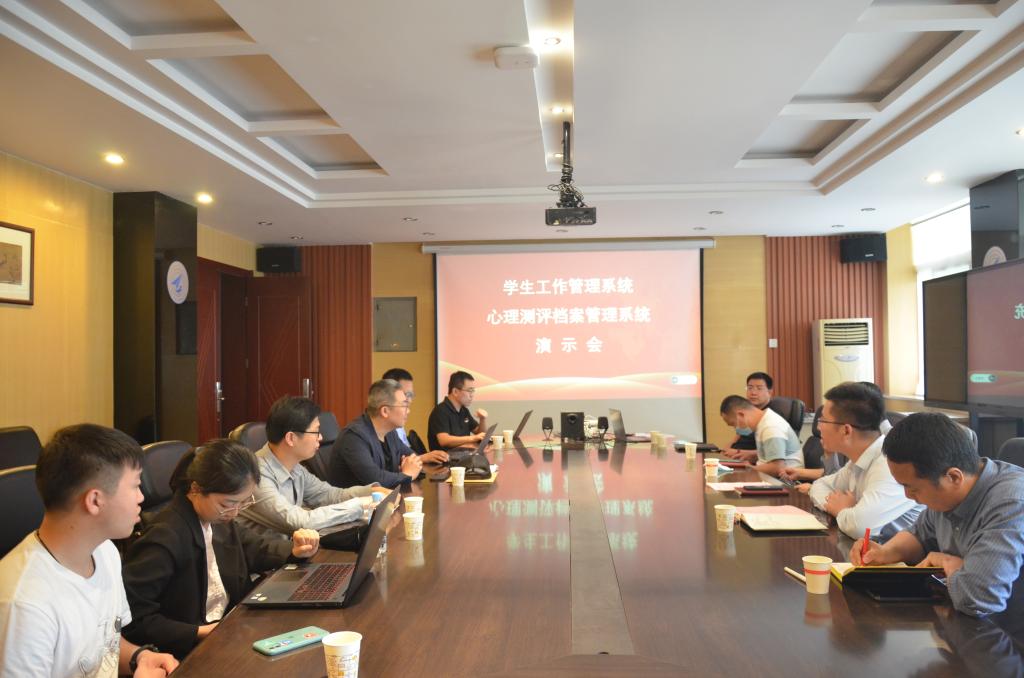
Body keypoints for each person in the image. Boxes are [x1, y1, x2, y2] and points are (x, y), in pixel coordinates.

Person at [0, 424, 178, 678]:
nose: (141, 497)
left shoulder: (104, 551)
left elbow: (104, 646)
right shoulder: (25, 605)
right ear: (95, 500)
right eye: (135, 486)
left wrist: (139, 657)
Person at [122, 439, 320, 659]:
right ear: (196, 489)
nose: (234, 513)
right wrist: (199, 632)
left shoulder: (216, 519)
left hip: (231, 626)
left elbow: (254, 547)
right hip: (189, 649)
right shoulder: (164, 537)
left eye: (242, 503)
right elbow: (135, 619)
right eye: (227, 504)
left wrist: (295, 550)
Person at [851, 412, 1024, 617]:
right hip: (963, 617)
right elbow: (920, 534)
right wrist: (885, 552)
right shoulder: (947, 492)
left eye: (913, 488)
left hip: (1005, 628)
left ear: (953, 477)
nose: (908, 496)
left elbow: (979, 597)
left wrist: (946, 562)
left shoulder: (1011, 503)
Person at [236, 396, 380, 542]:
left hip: (291, 550)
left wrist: (374, 491)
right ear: (291, 438)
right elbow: (300, 522)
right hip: (265, 555)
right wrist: (360, 505)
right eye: (316, 431)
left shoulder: (296, 467)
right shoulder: (255, 475)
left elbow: (330, 495)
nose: (321, 437)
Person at [806, 382, 922, 540]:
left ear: (846, 430)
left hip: (903, 554)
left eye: (823, 421)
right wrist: (842, 509)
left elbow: (859, 527)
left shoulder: (889, 463)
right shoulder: (859, 459)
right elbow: (819, 486)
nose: (819, 427)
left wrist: (841, 510)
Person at [329, 379, 424, 489]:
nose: (408, 411)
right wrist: (406, 475)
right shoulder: (354, 437)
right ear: (385, 411)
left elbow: (412, 457)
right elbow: (375, 480)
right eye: (404, 406)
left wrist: (409, 467)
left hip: (384, 497)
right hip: (355, 499)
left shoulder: (390, 432)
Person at [719, 395, 803, 476]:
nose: (735, 429)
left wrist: (748, 469)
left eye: (733, 424)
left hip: (785, 481)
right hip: (771, 477)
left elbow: (777, 468)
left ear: (741, 415)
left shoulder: (770, 427)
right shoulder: (763, 422)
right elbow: (770, 457)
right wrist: (751, 456)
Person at [381, 368, 448, 464]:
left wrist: (423, 457)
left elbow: (403, 452)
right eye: (406, 394)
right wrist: (423, 458)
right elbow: (390, 464)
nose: (409, 400)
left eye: (411, 395)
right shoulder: (380, 429)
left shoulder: (396, 421)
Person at [427, 371, 489, 451]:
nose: (472, 395)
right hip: (446, 457)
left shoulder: (464, 410)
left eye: (473, 391)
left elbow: (480, 434)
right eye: (469, 391)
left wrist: (482, 419)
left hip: (463, 455)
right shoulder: (440, 411)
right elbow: (444, 440)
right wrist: (472, 438)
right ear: (455, 392)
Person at [721, 372, 773, 454]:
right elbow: (737, 437)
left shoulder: (771, 416)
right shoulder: (746, 410)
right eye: (750, 388)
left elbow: (770, 451)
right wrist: (725, 450)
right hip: (736, 455)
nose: (753, 393)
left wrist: (738, 452)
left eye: (759, 388)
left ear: (769, 392)